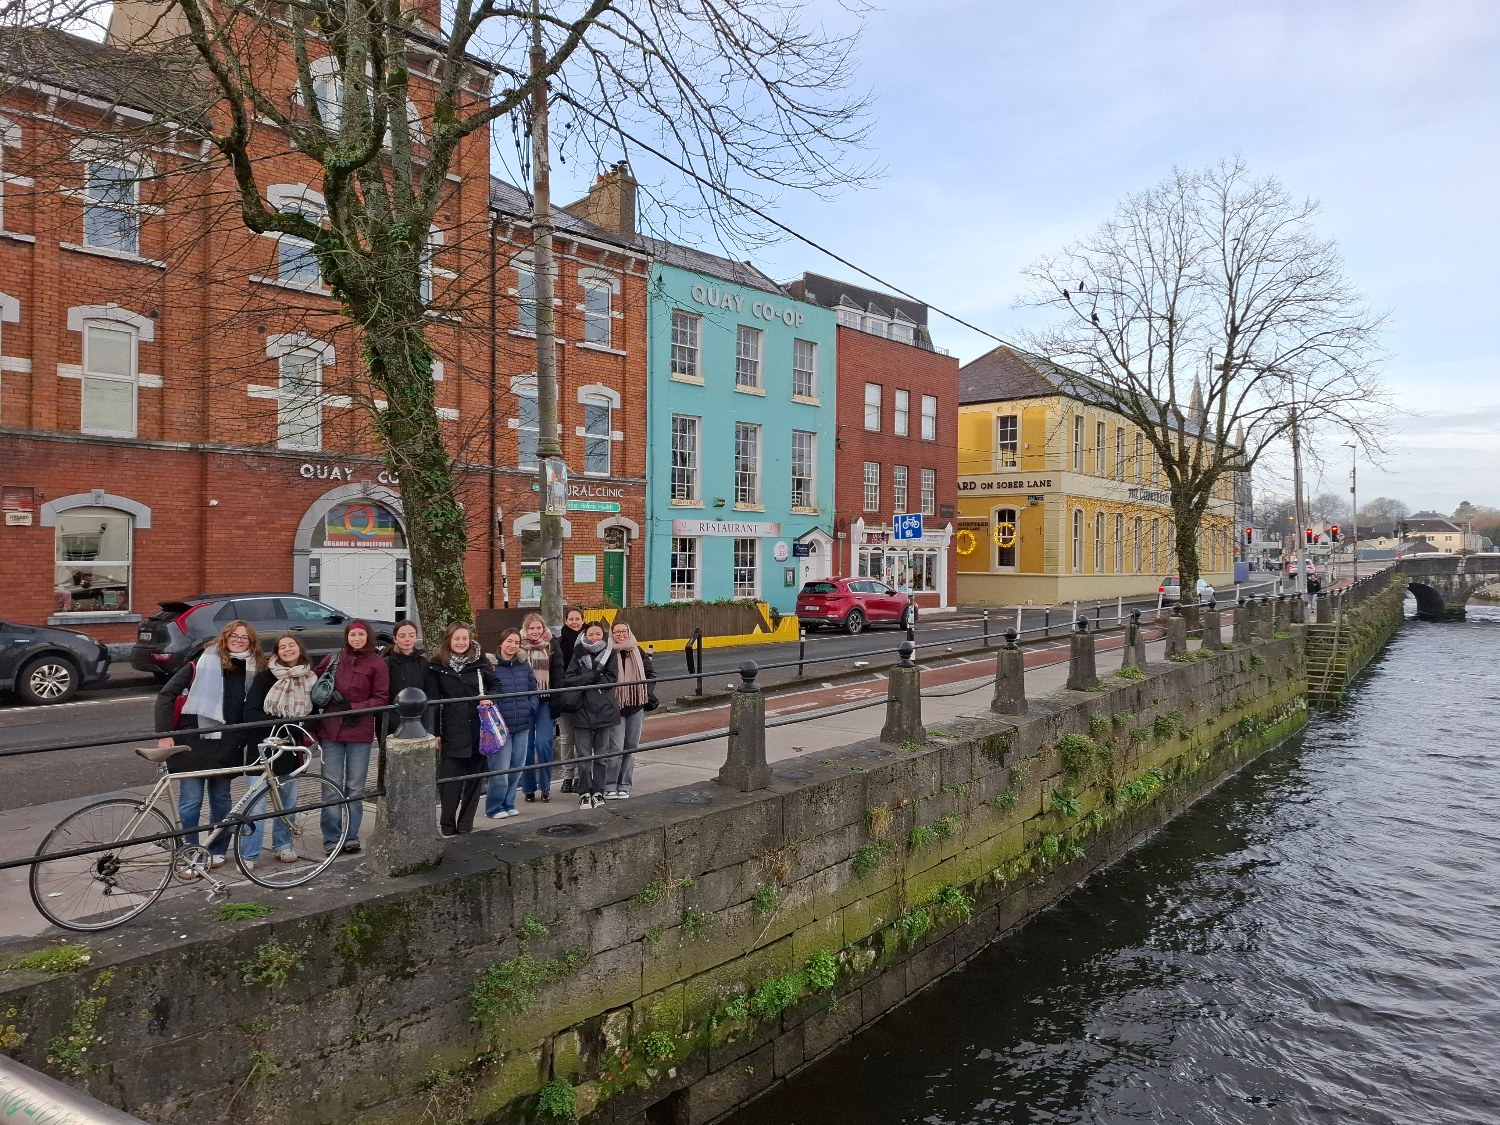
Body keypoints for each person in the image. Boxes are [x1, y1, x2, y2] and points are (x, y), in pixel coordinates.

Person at [153, 620, 269, 872]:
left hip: (228, 745)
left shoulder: (255, 668)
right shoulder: (200, 663)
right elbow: (166, 695)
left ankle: (216, 848)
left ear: (251, 642)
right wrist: (164, 734)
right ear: (225, 638)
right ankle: (191, 851)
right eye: (234, 636)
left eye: (245, 637)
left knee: (221, 800)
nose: (239, 640)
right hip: (194, 741)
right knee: (191, 801)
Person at [314, 620, 390, 856]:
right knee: (331, 785)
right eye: (353, 634)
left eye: (361, 634)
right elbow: (313, 683)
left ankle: (350, 835)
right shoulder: (333, 659)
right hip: (331, 730)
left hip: (359, 731)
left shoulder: (377, 664)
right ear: (347, 637)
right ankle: (331, 836)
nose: (357, 638)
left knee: (355, 787)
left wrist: (354, 707)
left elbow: (381, 698)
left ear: (368, 636)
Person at [243, 634, 318, 865]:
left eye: (291, 645)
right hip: (264, 748)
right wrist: (282, 724)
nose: (287, 649)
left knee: (287, 801)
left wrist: (297, 727)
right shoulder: (266, 677)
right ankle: (249, 854)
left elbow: (313, 716)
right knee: (256, 805)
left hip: (291, 748)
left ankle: (283, 845)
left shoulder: (310, 678)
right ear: (276, 653)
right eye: (282, 647)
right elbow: (251, 712)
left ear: (299, 649)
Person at [426, 621, 501, 836]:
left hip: (479, 728)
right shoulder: (437, 665)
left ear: (470, 640)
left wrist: (490, 698)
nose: (461, 642)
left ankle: (466, 824)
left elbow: (496, 685)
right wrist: (435, 732)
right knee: (450, 783)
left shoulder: (479, 661)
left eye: (464, 638)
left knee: (475, 780)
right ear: (449, 640)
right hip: (452, 728)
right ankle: (448, 826)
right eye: (456, 638)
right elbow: (433, 701)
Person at [558, 620, 620, 810]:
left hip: (604, 710)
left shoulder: (610, 653)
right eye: (590, 634)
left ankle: (599, 791)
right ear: (585, 636)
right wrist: (590, 677)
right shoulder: (578, 653)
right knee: (584, 756)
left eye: (598, 634)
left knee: (601, 756)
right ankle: (584, 791)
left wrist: (588, 680)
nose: (594, 638)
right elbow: (569, 679)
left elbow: (612, 678)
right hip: (582, 710)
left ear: (603, 635)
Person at [484, 628, 539, 819]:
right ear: (501, 643)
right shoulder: (491, 666)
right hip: (500, 726)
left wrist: (531, 707)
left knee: (516, 767)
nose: (513, 645)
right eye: (509, 641)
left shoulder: (524, 666)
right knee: (500, 770)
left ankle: (509, 803)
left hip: (523, 723)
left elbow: (533, 689)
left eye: (516, 642)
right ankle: (494, 807)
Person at [604, 621, 656, 799]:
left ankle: (624, 784)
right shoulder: (607, 652)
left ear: (629, 632)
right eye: (617, 632)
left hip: (636, 706)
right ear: (611, 634)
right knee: (616, 748)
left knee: (631, 747)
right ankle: (610, 784)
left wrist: (645, 693)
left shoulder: (638, 651)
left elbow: (651, 675)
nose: (621, 634)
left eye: (624, 631)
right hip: (616, 707)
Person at [518, 612, 563, 803]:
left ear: (543, 628)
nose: (535, 631)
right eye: (532, 628)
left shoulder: (552, 645)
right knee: (525, 746)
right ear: (526, 630)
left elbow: (558, 673)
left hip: (545, 700)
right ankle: (528, 788)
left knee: (543, 743)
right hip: (525, 702)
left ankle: (545, 786)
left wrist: (557, 699)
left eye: (539, 627)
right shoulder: (518, 646)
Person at [555, 607, 586, 794]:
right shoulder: (558, 643)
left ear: (583, 620)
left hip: (585, 697)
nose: (574, 622)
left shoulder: (592, 640)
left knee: (584, 738)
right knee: (567, 737)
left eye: (577, 619)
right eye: (571, 619)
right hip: (565, 696)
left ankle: (583, 775)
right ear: (565, 620)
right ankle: (567, 776)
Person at [384, 621, 427, 701]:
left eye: (411, 635)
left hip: (419, 710)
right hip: (393, 711)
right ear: (395, 639)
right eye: (402, 636)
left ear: (416, 638)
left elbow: (429, 690)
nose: (407, 639)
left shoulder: (422, 662)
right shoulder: (387, 663)